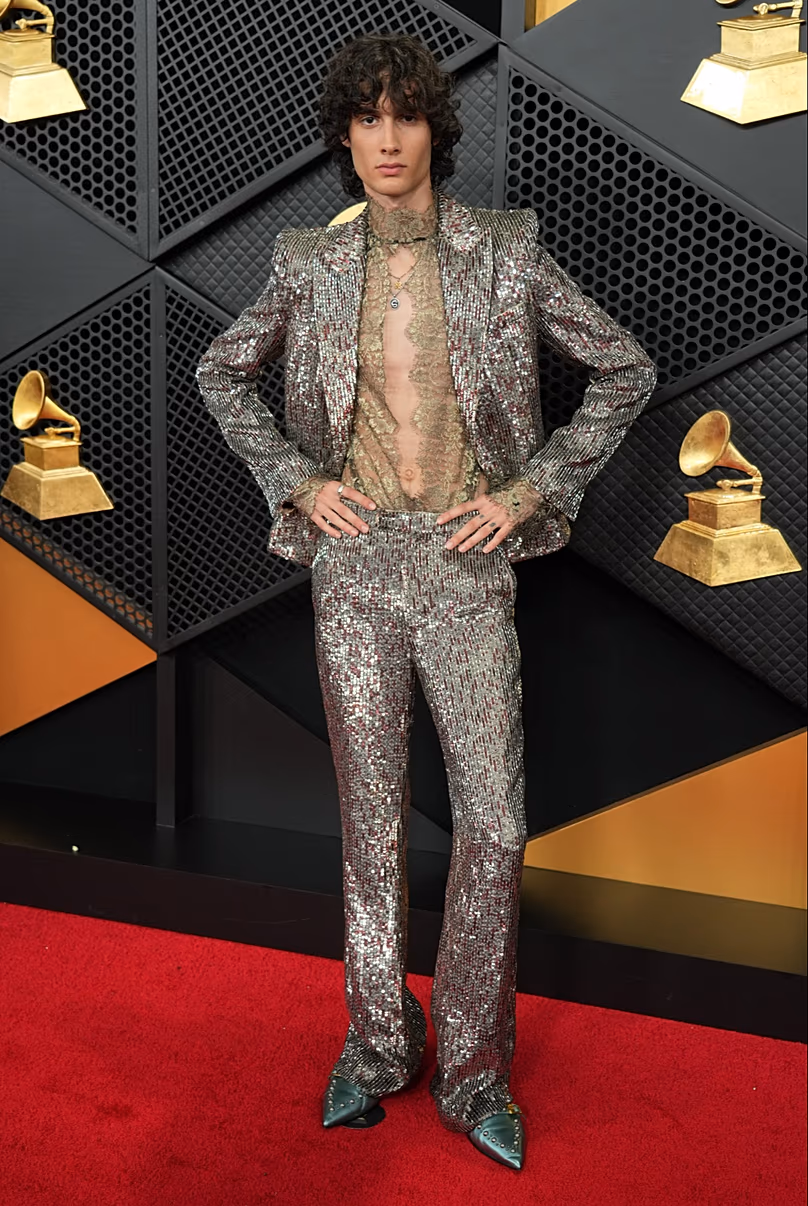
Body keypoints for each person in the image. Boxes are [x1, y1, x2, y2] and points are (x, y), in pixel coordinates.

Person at [196, 32, 657, 1172]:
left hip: (464, 564)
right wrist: (297, 481)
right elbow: (220, 369)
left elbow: (624, 368)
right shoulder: (308, 261)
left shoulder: (504, 251)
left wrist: (533, 490)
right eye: (367, 119)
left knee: (493, 823)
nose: (388, 139)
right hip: (354, 570)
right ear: (345, 137)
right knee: (368, 824)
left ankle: (474, 1067)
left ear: (433, 133)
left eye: (406, 117)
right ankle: (372, 1048)